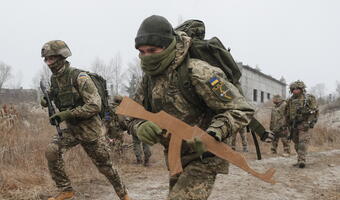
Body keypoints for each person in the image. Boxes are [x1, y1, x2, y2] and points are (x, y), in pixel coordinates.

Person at [128, 15, 255, 200]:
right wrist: (139, 127)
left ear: (168, 46)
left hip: (206, 156)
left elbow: (241, 109)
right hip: (174, 154)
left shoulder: (198, 72)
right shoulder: (149, 78)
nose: (146, 57)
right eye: (142, 51)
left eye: (152, 50)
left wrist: (212, 133)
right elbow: (131, 113)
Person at [40, 40, 130, 200]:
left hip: (91, 132)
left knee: (106, 167)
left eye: (51, 59)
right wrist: (48, 99)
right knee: (52, 151)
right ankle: (66, 190)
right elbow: (58, 94)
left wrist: (68, 114)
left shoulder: (79, 77)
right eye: (46, 59)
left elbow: (95, 105)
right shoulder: (55, 80)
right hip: (72, 130)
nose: (48, 63)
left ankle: (124, 195)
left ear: (61, 56)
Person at [285, 80, 319, 168]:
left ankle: (302, 160)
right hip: (293, 125)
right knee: (296, 143)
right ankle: (299, 158)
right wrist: (287, 124)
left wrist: (310, 122)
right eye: (293, 89)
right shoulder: (289, 100)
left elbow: (314, 111)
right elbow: (287, 113)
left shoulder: (308, 98)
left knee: (302, 142)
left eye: (297, 89)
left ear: (302, 89)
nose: (295, 90)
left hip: (304, 124)